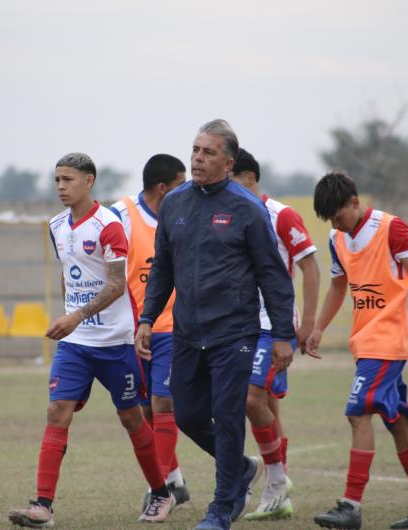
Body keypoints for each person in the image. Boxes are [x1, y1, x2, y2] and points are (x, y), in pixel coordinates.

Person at [135, 120, 296, 530]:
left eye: (208, 153)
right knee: (186, 415)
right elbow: (162, 270)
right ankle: (241, 469)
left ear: (228, 162)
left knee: (227, 417)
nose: (197, 159)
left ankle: (221, 510)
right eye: (195, 150)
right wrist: (148, 319)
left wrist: (281, 335)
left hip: (235, 334)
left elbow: (272, 277)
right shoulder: (174, 204)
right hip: (188, 333)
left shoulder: (247, 208)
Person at [8, 153, 173, 528]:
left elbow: (117, 284)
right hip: (76, 343)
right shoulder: (55, 225)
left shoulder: (109, 225)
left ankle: (161, 494)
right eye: (57, 180)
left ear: (89, 180)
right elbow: (69, 273)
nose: (60, 187)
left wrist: (75, 315)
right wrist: (72, 313)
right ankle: (42, 507)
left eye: (68, 179)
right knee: (56, 412)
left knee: (132, 418)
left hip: (115, 343)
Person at [308, 172, 408, 530]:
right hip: (364, 344)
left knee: (357, 412)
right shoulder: (338, 238)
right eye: (330, 221)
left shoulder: (392, 229)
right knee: (399, 423)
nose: (336, 224)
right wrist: (319, 327)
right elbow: (338, 285)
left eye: (339, 216)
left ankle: (350, 506)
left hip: (388, 342)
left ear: (354, 202)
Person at [230, 149, 320, 521]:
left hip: (274, 325)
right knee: (267, 405)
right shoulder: (227, 215)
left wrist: (308, 325)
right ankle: (277, 491)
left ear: (249, 177)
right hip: (238, 326)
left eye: (230, 178)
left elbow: (311, 267)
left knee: (253, 401)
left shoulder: (281, 215)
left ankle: (275, 481)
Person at [110, 154, 191, 511]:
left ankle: (158, 491)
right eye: (180, 184)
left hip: (174, 329)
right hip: (135, 330)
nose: (186, 190)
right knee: (146, 411)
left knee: (164, 402)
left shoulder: (185, 217)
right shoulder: (121, 216)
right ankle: (174, 482)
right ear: (163, 188)